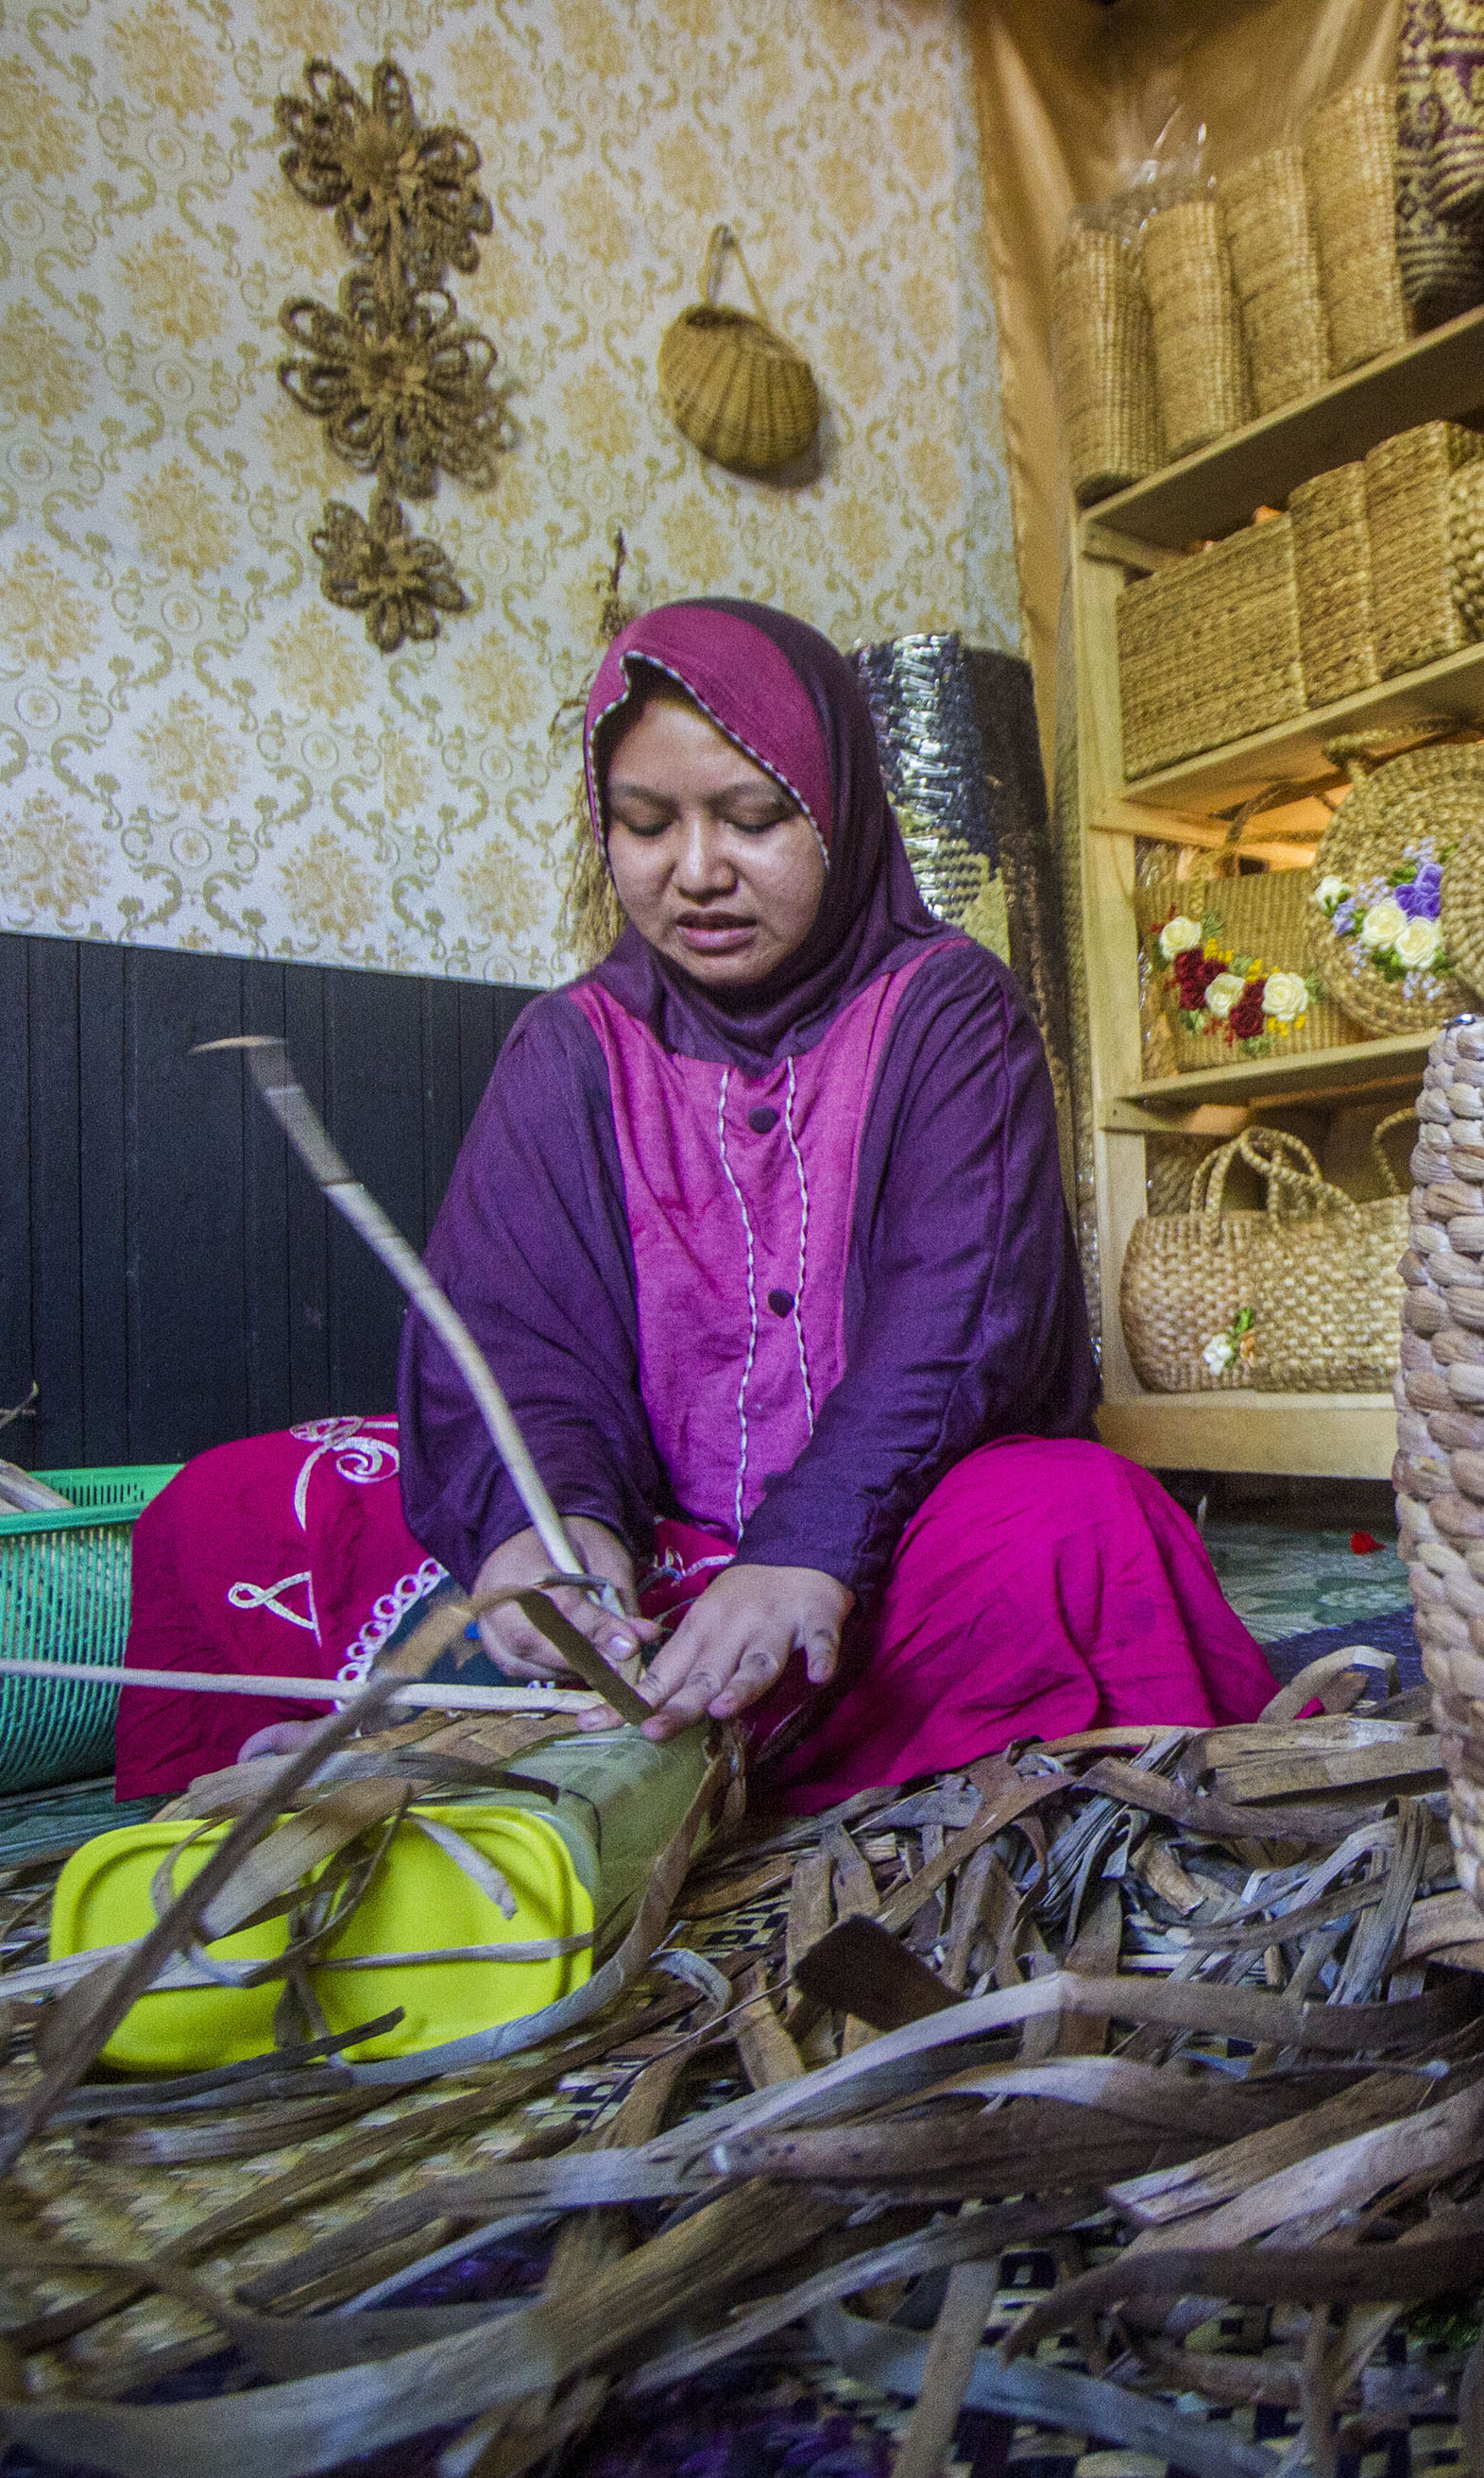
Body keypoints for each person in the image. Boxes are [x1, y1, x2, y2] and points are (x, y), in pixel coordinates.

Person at [112, 598, 1273, 1804]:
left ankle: (623, 1753)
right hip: (648, 1553)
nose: (698, 871)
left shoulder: (946, 1009)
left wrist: (808, 1550)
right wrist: (551, 1543)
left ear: (839, 813)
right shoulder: (570, 1044)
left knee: (1077, 1525)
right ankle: (593, 1706)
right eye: (646, 824)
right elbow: (513, 1336)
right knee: (228, 1503)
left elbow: (961, 1321)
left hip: (879, 1552)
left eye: (756, 819)